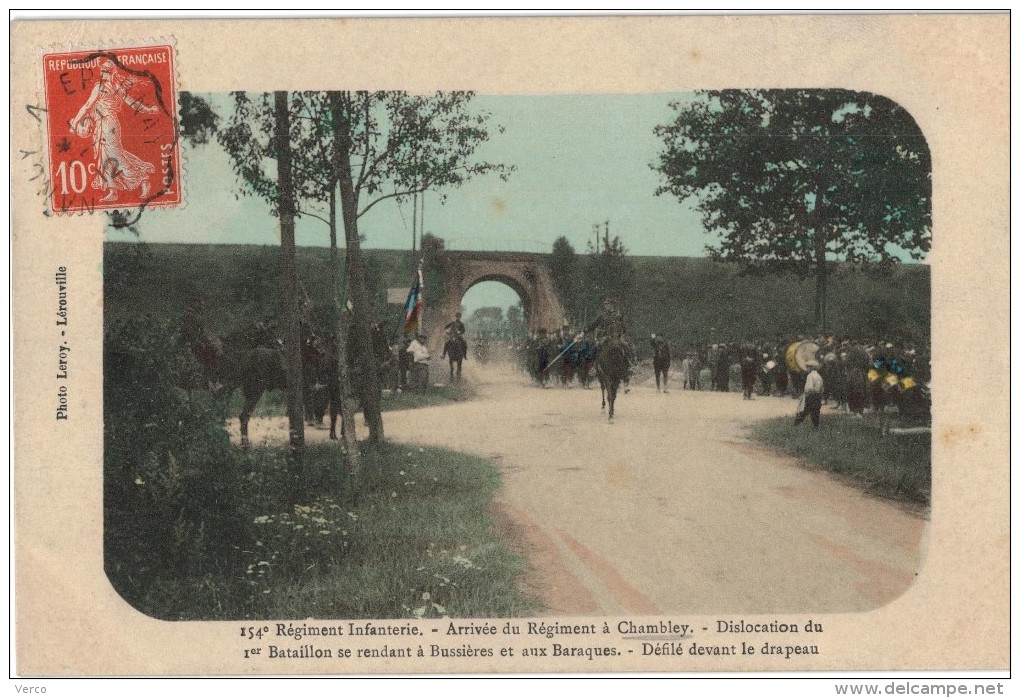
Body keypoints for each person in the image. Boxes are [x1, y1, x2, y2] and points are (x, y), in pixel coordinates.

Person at [69, 58, 158, 202]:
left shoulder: (110, 88)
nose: (104, 75)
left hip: (109, 124)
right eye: (102, 72)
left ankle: (142, 179)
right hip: (102, 125)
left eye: (107, 73)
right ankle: (113, 190)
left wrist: (75, 123)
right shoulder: (114, 87)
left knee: (116, 157)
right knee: (105, 158)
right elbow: (88, 105)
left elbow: (87, 106)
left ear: (112, 74)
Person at [794, 360, 824, 428]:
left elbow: (809, 388)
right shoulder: (819, 376)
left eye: (807, 367)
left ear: (811, 368)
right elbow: (822, 388)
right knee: (816, 412)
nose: (807, 369)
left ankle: (796, 424)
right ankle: (816, 426)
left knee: (803, 411)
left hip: (811, 396)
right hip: (818, 396)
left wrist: (806, 395)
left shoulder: (810, 376)